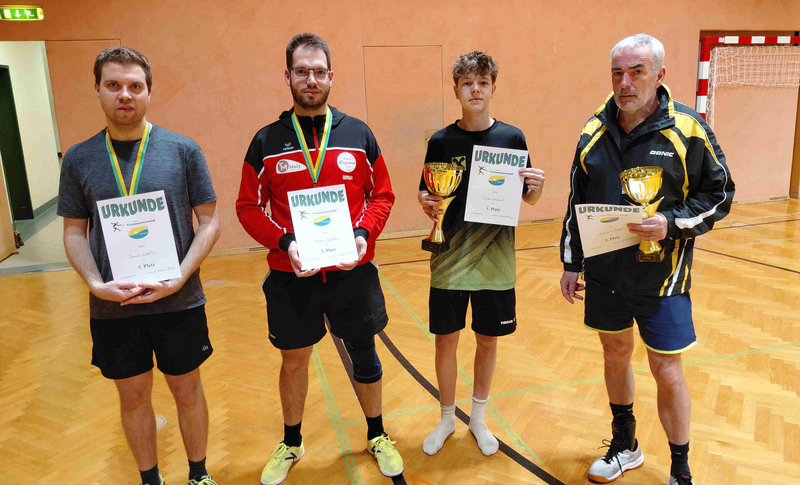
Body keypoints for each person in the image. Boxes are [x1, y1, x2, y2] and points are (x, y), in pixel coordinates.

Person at [559, 34, 734, 485]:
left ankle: (680, 469)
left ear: (659, 75)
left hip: (663, 276)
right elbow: (577, 201)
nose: (625, 82)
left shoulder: (688, 129)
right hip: (605, 274)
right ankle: (626, 446)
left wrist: (671, 224)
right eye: (617, 72)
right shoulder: (593, 131)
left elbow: (720, 195)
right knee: (615, 353)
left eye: (637, 72)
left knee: (666, 370)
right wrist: (571, 262)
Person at [236, 33, 401, 484]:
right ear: (288, 76)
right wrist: (283, 242)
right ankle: (292, 442)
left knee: (365, 354)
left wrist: (364, 234)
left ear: (331, 77)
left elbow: (382, 195)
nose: (311, 79)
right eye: (302, 71)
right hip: (291, 275)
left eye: (319, 71)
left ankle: (377, 434)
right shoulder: (266, 141)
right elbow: (247, 206)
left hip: (352, 272)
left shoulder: (358, 133)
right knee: (294, 360)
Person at [58, 47, 221, 485]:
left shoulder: (183, 150)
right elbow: (74, 232)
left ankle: (199, 475)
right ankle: (151, 480)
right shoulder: (78, 158)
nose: (125, 95)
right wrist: (95, 284)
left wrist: (180, 277)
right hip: (114, 306)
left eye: (135, 86)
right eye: (114, 85)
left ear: (150, 92)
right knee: (132, 398)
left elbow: (210, 222)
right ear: (97, 89)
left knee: (187, 391)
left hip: (179, 301)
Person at [417, 51, 545, 457]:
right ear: (455, 89)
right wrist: (425, 201)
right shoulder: (440, 141)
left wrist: (537, 187)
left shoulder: (512, 138)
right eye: (467, 83)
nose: (475, 90)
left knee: (488, 340)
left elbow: (529, 198)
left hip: (496, 262)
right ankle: (446, 418)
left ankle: (478, 418)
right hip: (449, 261)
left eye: (483, 83)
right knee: (445, 341)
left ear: (493, 88)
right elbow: (427, 192)